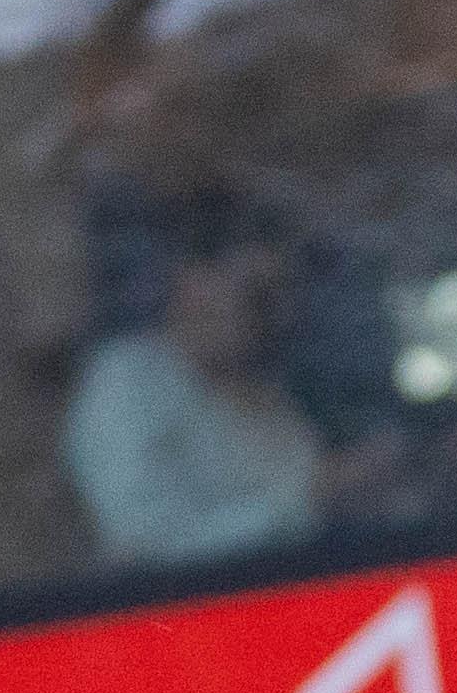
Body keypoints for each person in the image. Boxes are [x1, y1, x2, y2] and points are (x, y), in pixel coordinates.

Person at [61, 225, 328, 568]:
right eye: (249, 292)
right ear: (189, 281)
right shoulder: (128, 381)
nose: (260, 314)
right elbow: (145, 544)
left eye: (272, 297)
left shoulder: (275, 404)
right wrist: (304, 501)